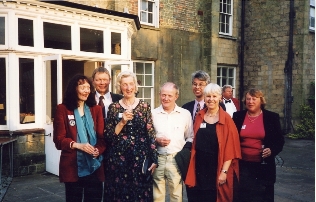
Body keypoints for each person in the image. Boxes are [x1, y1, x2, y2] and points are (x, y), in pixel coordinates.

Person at [103, 71, 158, 201]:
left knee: (139, 195)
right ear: (120, 87)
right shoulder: (114, 107)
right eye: (124, 84)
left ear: (135, 86)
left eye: (131, 84)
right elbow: (108, 136)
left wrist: (154, 158)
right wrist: (122, 122)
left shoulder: (144, 106)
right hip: (118, 160)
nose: (128, 88)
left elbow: (150, 133)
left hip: (140, 159)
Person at [185, 83, 241, 202]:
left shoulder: (227, 120)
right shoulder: (199, 116)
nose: (211, 99)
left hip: (217, 166)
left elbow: (231, 149)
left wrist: (224, 172)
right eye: (208, 96)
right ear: (204, 98)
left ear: (220, 98)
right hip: (199, 167)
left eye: (214, 96)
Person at [53, 74, 106, 202]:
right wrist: (78, 145)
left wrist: (98, 150)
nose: (86, 90)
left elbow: (102, 138)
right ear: (74, 89)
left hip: (94, 165)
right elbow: (59, 140)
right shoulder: (63, 109)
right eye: (83, 87)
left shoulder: (96, 109)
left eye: (88, 87)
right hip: (73, 167)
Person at [232, 88, 284, 202]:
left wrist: (272, 150)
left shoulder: (271, 117)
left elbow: (280, 140)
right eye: (248, 99)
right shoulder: (238, 116)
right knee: (243, 196)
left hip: (263, 165)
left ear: (261, 101)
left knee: (262, 197)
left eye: (254, 99)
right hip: (243, 164)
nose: (250, 102)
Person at [152, 82, 194, 202]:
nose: (166, 98)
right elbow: (147, 136)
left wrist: (183, 153)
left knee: (176, 194)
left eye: (170, 95)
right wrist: (156, 140)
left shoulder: (185, 114)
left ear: (176, 96)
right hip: (158, 158)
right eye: (163, 95)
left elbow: (190, 137)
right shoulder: (153, 114)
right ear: (159, 94)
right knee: (157, 195)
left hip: (176, 158)